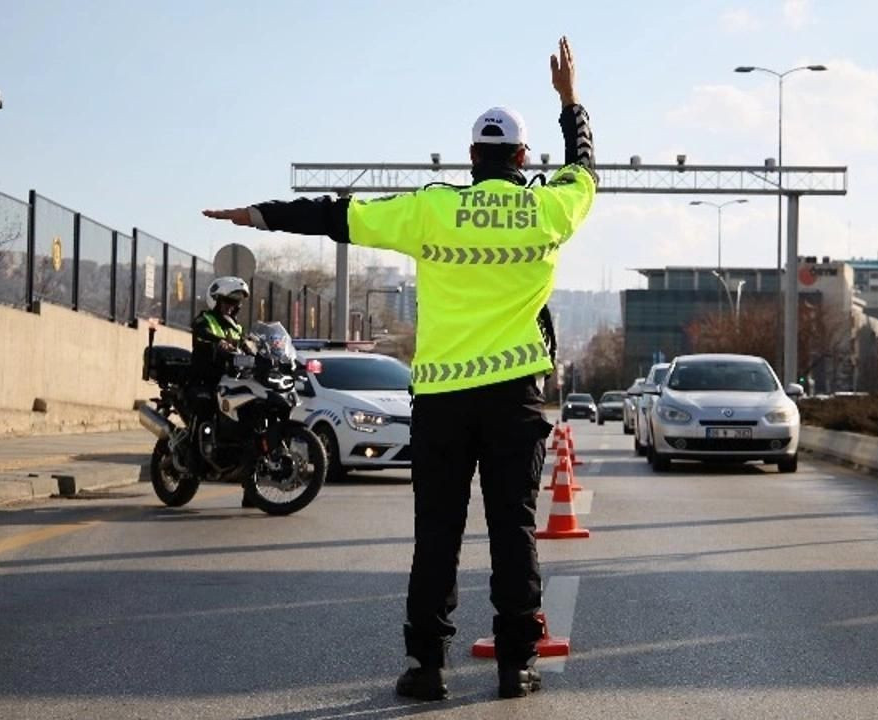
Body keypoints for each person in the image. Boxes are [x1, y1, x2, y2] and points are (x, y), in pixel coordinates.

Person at [202, 36, 596, 700]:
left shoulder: (431, 207)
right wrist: (570, 101)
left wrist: (257, 215)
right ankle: (515, 664)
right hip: (513, 400)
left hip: (443, 400)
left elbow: (336, 216)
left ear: (472, 158)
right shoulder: (549, 207)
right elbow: (586, 168)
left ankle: (426, 668)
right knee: (514, 529)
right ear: (524, 159)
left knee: (436, 534)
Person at [189, 276, 256, 507]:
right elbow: (201, 332)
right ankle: (197, 455)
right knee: (205, 409)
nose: (233, 306)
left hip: (232, 382)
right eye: (228, 301)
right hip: (205, 380)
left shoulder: (237, 327)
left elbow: (247, 345)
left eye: (236, 302)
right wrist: (218, 342)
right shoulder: (204, 319)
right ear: (216, 300)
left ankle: (251, 489)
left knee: (250, 426)